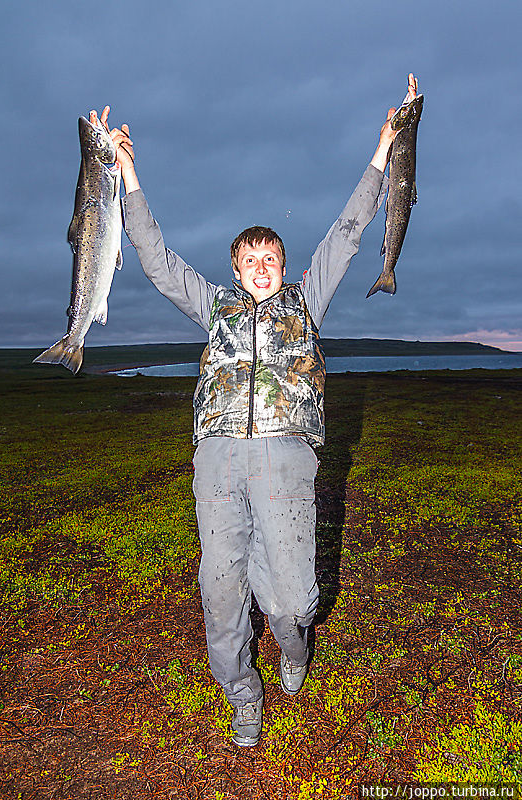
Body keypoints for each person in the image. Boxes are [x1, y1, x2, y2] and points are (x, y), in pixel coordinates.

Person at [93, 73, 418, 747]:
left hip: (284, 456)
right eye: (251, 259)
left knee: (293, 599)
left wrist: (383, 151)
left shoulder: (305, 302)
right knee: (219, 592)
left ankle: (294, 645)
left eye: (271, 257)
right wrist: (125, 171)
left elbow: (349, 230)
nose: (262, 266)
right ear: (236, 270)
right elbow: (153, 258)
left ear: (283, 265)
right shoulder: (212, 306)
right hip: (215, 458)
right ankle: (242, 690)